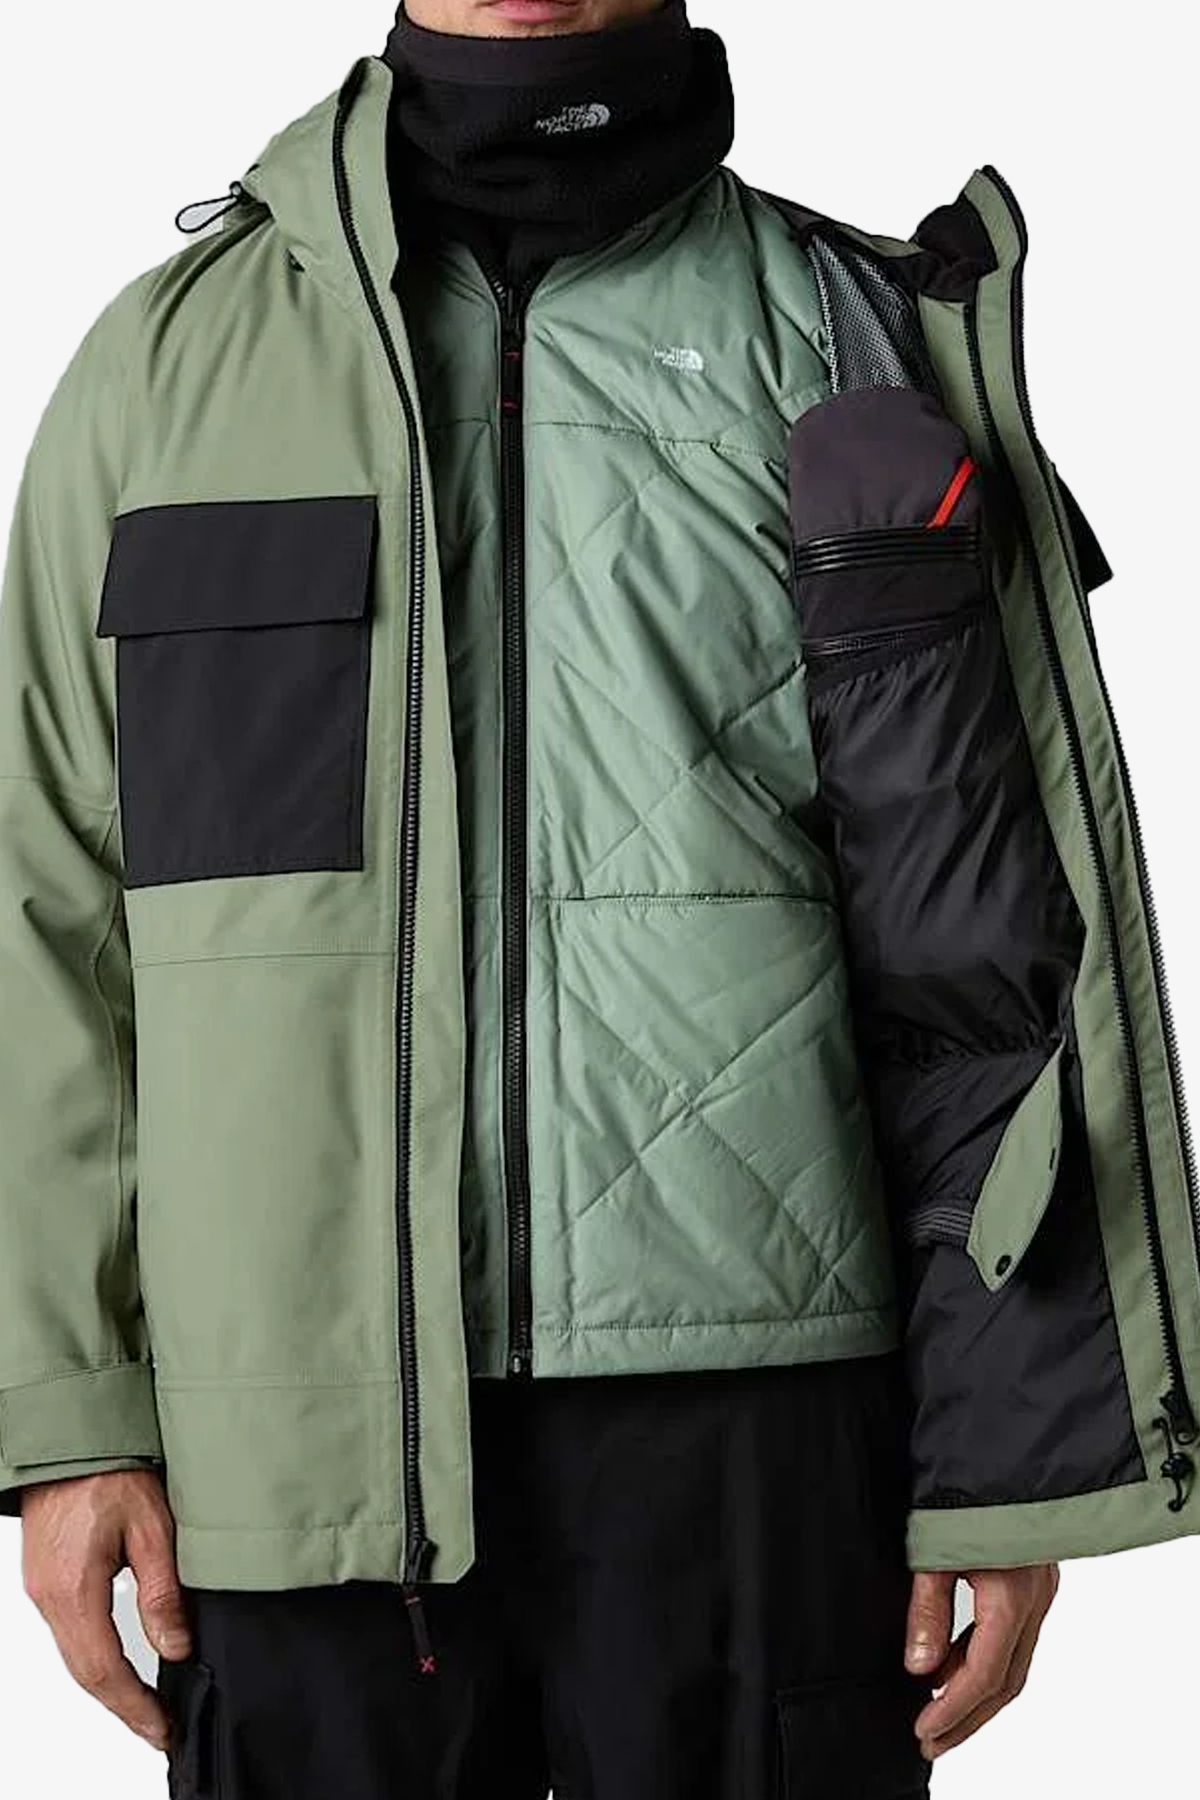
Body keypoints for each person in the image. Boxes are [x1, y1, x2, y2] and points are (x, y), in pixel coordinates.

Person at [2, 1, 1197, 1795]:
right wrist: (68, 1415)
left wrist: (1005, 1447)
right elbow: (49, 920)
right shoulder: (169, 370)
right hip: (290, 1444)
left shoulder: (852, 341)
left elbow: (990, 945)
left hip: (767, 1438)